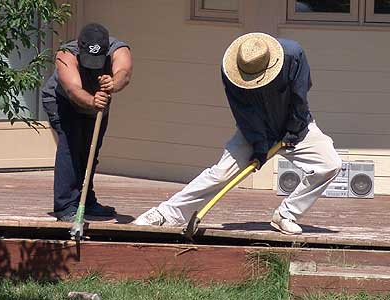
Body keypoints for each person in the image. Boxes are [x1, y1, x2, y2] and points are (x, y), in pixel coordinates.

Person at [134, 32, 342, 235]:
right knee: (220, 174)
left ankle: (286, 215)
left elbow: (300, 96)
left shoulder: (293, 54)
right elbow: (243, 111)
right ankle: (164, 214)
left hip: (297, 127)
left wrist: (294, 128)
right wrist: (260, 146)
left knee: (329, 165)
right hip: (256, 130)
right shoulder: (231, 69)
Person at [42, 23, 132, 222]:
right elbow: (73, 90)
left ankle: (86, 200)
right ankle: (66, 206)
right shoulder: (66, 54)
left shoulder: (119, 49)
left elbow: (124, 74)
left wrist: (113, 83)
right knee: (71, 147)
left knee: (90, 150)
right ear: (80, 47)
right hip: (62, 101)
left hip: (98, 106)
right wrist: (92, 101)